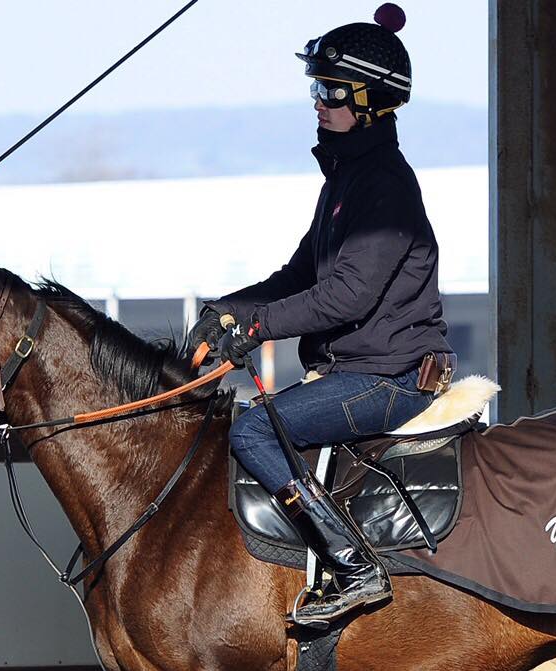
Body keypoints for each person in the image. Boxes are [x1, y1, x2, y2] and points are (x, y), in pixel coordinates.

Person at [191, 3, 454, 628]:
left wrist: (253, 330)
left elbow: (347, 297)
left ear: (369, 103)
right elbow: (299, 278)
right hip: (354, 373)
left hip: (388, 380)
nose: (319, 102)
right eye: (317, 88)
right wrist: (227, 311)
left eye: (331, 91)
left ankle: (354, 569)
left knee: (254, 431)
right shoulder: (345, 181)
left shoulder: (383, 185)